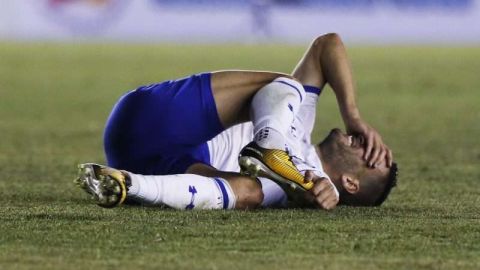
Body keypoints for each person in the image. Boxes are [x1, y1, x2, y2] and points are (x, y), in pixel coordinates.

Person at [75, 33, 398, 211]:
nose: (370, 141)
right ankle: (270, 147)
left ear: (351, 184)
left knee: (253, 191)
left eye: (375, 155)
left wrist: (311, 191)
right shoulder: (301, 115)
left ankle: (127, 184)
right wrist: (354, 117)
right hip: (154, 116)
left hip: (153, 163)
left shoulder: (302, 190)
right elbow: (328, 45)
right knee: (290, 87)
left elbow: (254, 194)